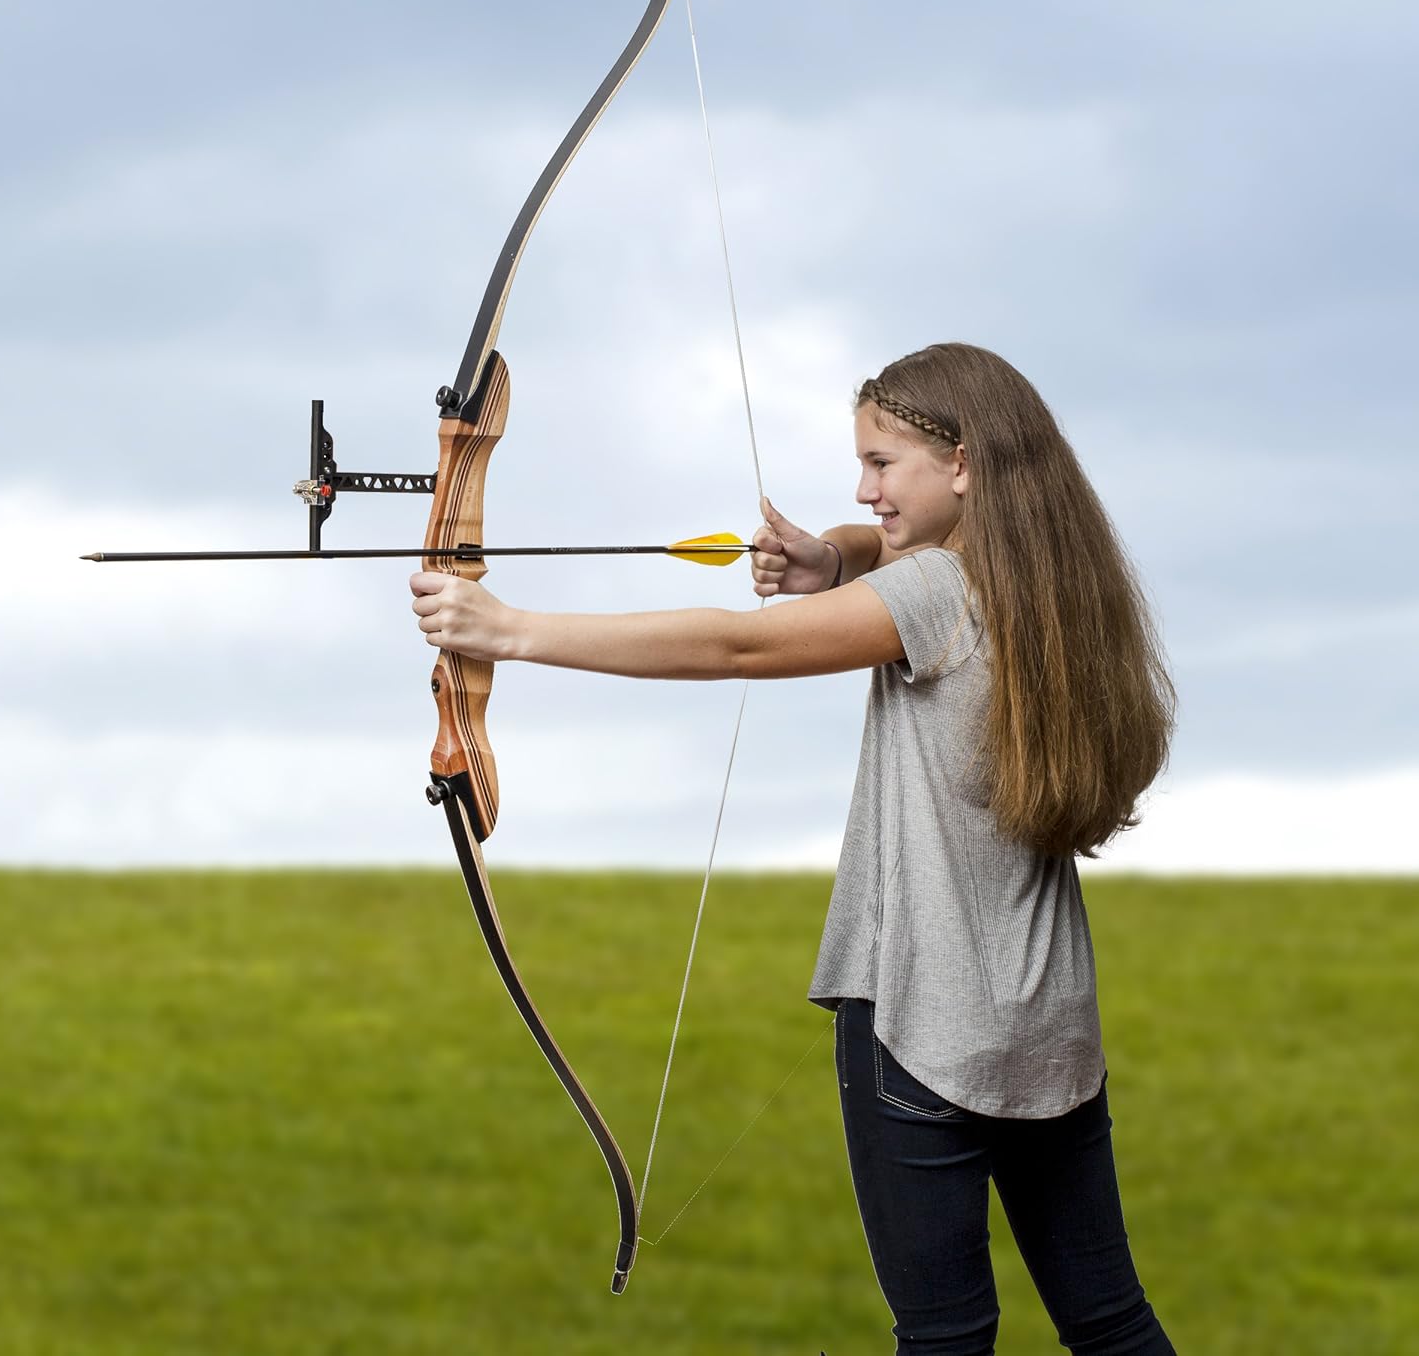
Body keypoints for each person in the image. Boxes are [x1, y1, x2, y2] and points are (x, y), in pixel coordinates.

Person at [410, 341, 1178, 1355]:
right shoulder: (1057, 587)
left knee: (945, 1339)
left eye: (881, 463)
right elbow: (887, 549)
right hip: (1048, 1029)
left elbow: (741, 646)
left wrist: (507, 629)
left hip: (919, 1026)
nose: (863, 490)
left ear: (962, 463)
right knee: (1110, 1323)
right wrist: (836, 559)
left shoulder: (934, 593)